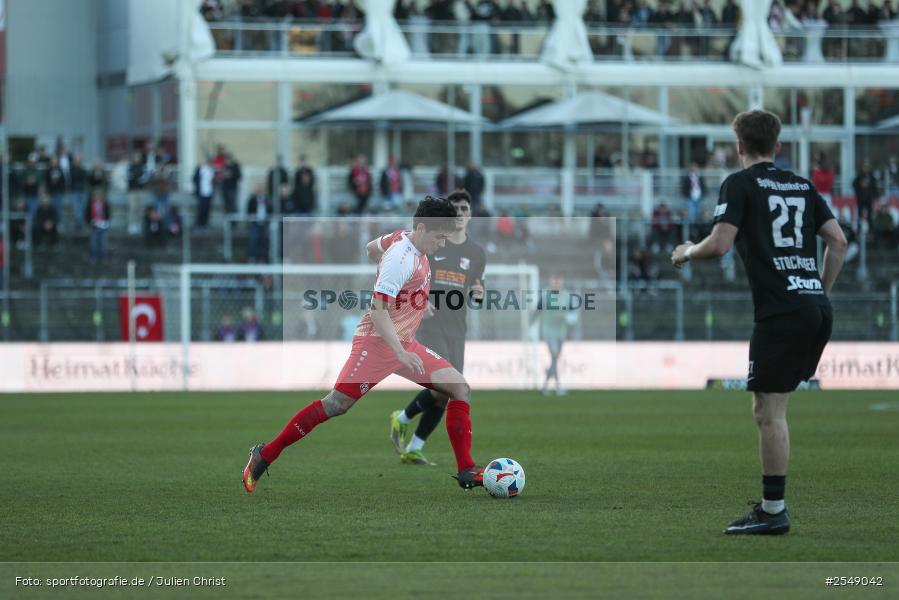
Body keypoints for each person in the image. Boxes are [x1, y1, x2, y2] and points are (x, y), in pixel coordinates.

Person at [671, 110, 847, 535]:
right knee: (774, 408)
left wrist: (686, 251)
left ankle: (773, 512)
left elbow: (720, 245)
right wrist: (818, 292)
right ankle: (772, 508)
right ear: (778, 146)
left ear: (739, 147)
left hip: (781, 311)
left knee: (768, 411)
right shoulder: (802, 186)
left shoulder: (740, 183)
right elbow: (838, 241)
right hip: (815, 308)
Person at [243, 197, 483, 492]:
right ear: (422, 228)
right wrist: (399, 351)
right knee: (336, 404)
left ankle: (466, 469)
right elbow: (378, 309)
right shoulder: (401, 258)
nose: (443, 245)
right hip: (377, 343)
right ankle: (264, 454)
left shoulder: (400, 238)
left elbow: (371, 248)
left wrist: (414, 297)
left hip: (404, 341)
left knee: (459, 387)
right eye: (439, 238)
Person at [386, 190, 486, 465]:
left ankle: (412, 443)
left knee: (446, 393)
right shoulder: (433, 244)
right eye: (455, 209)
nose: (460, 213)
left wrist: (479, 292)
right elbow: (411, 276)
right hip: (429, 326)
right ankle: (404, 420)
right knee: (446, 387)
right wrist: (420, 302)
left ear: (470, 215)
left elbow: (477, 284)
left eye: (465, 209)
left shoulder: (477, 253)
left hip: (457, 329)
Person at [535, 273, 575, 396]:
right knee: (555, 353)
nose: (556, 283)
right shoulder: (545, 295)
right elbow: (537, 311)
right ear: (550, 282)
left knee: (555, 358)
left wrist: (571, 319)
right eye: (554, 281)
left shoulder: (567, 296)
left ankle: (546, 385)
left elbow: (573, 313)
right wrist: (532, 327)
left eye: (558, 281)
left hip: (561, 332)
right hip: (548, 331)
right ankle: (557, 386)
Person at [86, 189, 111, 262]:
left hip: (103, 225)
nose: (98, 197)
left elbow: (108, 214)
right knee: (93, 242)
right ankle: (93, 255)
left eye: (99, 196)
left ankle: (103, 255)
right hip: (93, 225)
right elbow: (87, 215)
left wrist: (106, 222)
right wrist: (89, 222)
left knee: (103, 242)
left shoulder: (105, 204)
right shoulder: (90, 204)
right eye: (96, 196)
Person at [193, 157, 216, 229]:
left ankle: (205, 223)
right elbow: (195, 179)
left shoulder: (211, 170)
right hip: (202, 192)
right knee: (201, 209)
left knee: (207, 209)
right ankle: (199, 223)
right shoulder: (201, 169)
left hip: (209, 192)